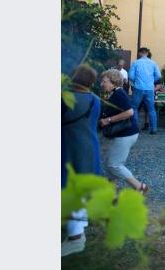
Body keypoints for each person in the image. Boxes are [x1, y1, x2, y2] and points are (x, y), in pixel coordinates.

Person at [61, 64, 102, 257]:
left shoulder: (66, 99)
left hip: (71, 148)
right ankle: (77, 232)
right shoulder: (95, 100)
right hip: (89, 148)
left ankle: (76, 238)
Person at [98, 69, 149, 194]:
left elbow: (129, 112)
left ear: (113, 82)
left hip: (126, 134)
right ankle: (111, 191)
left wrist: (108, 120)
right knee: (109, 161)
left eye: (104, 81)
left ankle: (140, 187)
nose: (101, 84)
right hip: (124, 133)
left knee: (114, 164)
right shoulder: (114, 93)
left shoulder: (119, 93)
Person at [128, 47, 162, 135]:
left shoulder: (135, 63)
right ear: (147, 53)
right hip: (150, 89)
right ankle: (153, 130)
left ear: (140, 53)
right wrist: (151, 81)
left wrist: (137, 80)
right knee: (151, 109)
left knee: (135, 107)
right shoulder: (153, 63)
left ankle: (135, 129)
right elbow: (158, 75)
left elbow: (131, 76)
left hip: (138, 88)